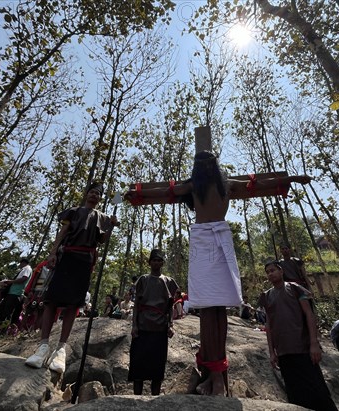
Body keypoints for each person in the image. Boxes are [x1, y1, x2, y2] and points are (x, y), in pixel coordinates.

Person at [125, 150, 311, 395]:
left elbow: (256, 184)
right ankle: (213, 374)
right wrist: (139, 193)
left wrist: (292, 179)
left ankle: (217, 376)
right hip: (207, 239)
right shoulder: (212, 185)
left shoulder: (212, 185)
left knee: (218, 306)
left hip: (213, 239)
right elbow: (167, 192)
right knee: (209, 307)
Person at [25, 181, 117, 374]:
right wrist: (52, 253)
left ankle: (61, 349)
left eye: (98, 194)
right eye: (92, 192)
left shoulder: (102, 217)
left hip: (85, 261)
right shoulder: (73, 211)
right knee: (51, 301)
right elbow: (63, 232)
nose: (94, 195)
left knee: (74, 304)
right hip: (66, 256)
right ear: (86, 194)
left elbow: (101, 240)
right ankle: (43, 346)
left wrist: (111, 227)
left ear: (100, 198)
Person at [259, 260, 338, 410]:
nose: (270, 273)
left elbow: (309, 314)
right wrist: (271, 352)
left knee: (317, 389)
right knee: (295, 392)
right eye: (267, 272)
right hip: (283, 351)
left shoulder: (295, 289)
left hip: (303, 347)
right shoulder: (266, 296)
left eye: (273, 270)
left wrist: (314, 343)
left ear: (281, 271)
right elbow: (268, 325)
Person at [128, 249, 178, 395]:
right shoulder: (143, 280)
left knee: (157, 366)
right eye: (154, 260)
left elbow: (170, 306)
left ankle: (155, 399)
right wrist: (134, 325)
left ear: (162, 263)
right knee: (138, 365)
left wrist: (171, 325)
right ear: (149, 263)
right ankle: (137, 398)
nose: (156, 262)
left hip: (160, 328)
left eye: (159, 260)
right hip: (143, 327)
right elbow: (137, 304)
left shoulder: (169, 281)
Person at [0, 258, 32, 336]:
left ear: (23, 263)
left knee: (6, 314)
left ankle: (1, 333)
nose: (19, 265)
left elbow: (24, 278)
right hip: (11, 294)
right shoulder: (24, 270)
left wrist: (11, 281)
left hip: (15, 294)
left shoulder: (27, 269)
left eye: (20, 263)